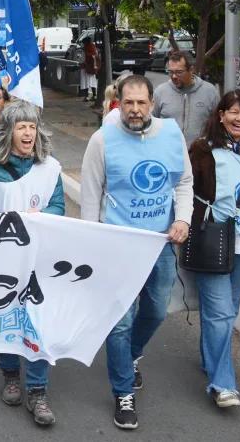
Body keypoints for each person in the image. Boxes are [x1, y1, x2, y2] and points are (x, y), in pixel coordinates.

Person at [80, 74, 192, 430]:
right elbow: (90, 195)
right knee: (121, 321)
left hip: (159, 244)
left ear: (152, 104)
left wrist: (184, 220)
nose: (135, 109)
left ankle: (129, 358)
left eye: (141, 103)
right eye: (128, 103)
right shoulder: (102, 140)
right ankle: (123, 393)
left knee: (157, 311)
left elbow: (184, 182)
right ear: (118, 103)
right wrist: (94, 243)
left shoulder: (172, 135)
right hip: (118, 245)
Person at [188, 90, 240, 408]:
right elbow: (185, 191)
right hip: (213, 242)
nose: (239, 118)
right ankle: (223, 384)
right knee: (221, 314)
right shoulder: (202, 150)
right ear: (220, 115)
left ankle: (209, 359)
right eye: (232, 112)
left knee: (228, 310)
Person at [0, 101, 64, 427]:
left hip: (39, 259)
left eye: (31, 126)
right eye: (21, 126)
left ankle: (37, 389)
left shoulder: (51, 169)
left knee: (37, 321)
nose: (28, 132)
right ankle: (10, 375)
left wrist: (41, 219)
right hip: (4, 259)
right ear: (9, 132)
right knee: (8, 318)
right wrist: (6, 223)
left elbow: (59, 207)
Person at [153, 51, 220, 145]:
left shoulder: (210, 92)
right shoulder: (160, 92)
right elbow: (151, 123)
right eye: (170, 72)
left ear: (191, 70)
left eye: (179, 72)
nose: (174, 76)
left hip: (199, 154)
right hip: (169, 153)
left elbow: (217, 124)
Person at [80, 35, 100, 102]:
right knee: (93, 82)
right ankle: (94, 95)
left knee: (86, 82)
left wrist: (81, 64)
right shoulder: (93, 48)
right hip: (92, 68)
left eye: (83, 43)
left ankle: (87, 97)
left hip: (86, 68)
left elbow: (83, 59)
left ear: (85, 42)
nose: (83, 44)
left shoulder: (86, 49)